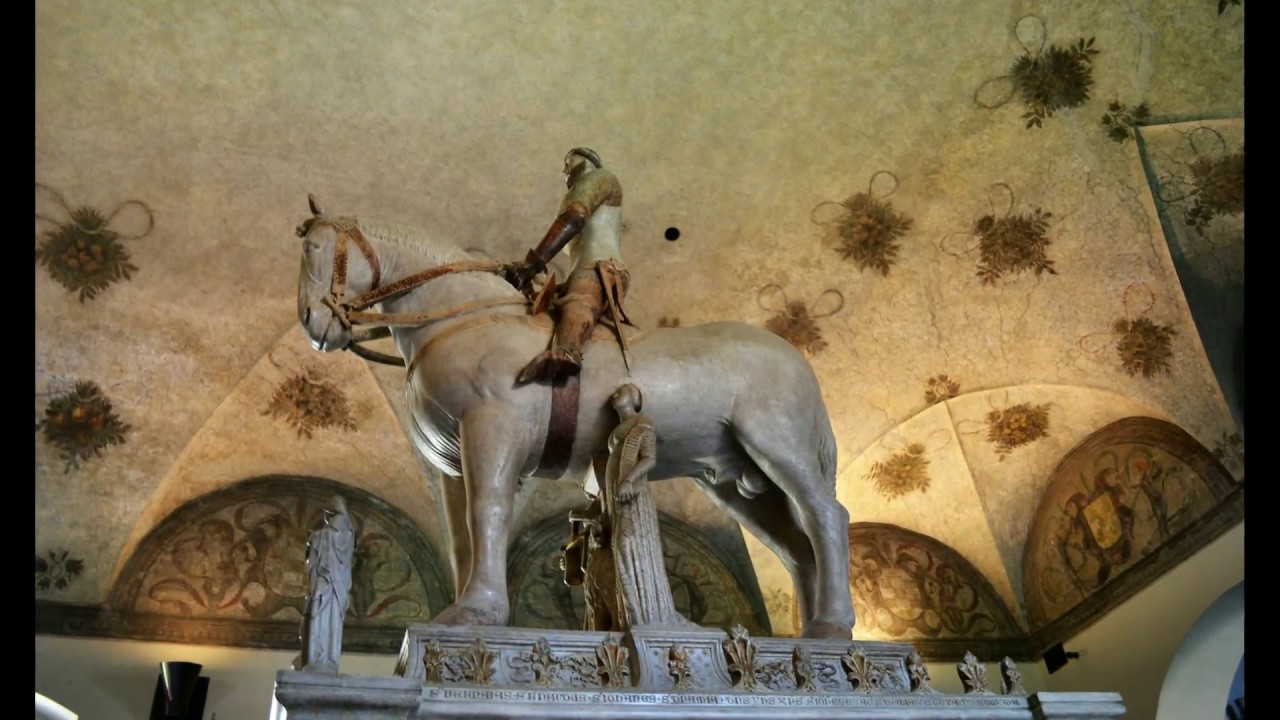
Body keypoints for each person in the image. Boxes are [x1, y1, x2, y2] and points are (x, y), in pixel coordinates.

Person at [504, 148, 630, 383]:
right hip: (581, 271)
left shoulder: (601, 177)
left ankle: (567, 352)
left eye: (570, 162)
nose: (565, 169)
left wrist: (533, 263)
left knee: (579, 301)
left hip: (601, 268)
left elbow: (576, 216)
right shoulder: (579, 190)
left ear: (587, 161)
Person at [295, 495, 355, 673]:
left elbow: (332, 538)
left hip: (330, 580)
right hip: (331, 581)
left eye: (328, 512)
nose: (326, 517)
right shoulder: (342, 527)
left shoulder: (340, 523)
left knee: (320, 613)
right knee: (320, 615)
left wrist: (314, 537)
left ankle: (320, 657)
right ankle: (319, 657)